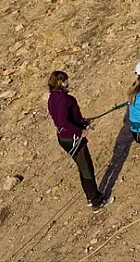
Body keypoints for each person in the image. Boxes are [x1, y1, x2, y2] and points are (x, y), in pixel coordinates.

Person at [47, 71, 106, 211]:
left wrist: (83, 123)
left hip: (65, 137)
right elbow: (62, 121)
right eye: (66, 81)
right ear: (60, 82)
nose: (68, 83)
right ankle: (96, 202)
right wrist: (80, 131)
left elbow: (67, 118)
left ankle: (91, 197)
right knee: (87, 169)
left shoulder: (53, 97)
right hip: (72, 138)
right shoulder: (62, 99)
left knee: (82, 167)